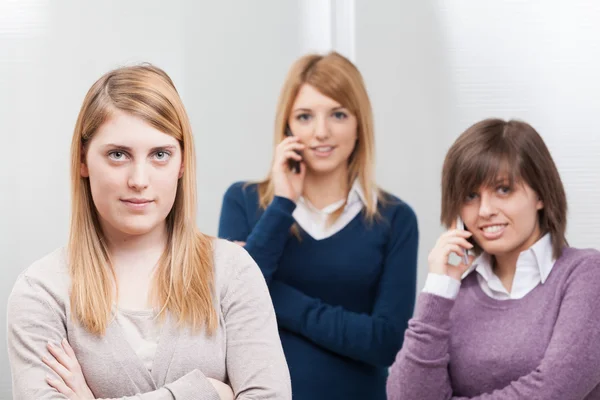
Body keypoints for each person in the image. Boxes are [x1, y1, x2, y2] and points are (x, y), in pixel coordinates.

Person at [7, 64, 291, 399]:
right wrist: (202, 393)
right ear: (83, 160)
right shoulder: (41, 293)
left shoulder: (232, 272)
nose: (139, 179)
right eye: (118, 155)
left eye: (160, 154)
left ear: (182, 163)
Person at [218, 51, 419, 400]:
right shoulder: (244, 201)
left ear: (359, 125)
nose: (321, 132)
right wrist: (282, 203)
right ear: (288, 127)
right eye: (305, 116)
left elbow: (385, 343)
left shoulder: (395, 219)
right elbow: (224, 311)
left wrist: (270, 292)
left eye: (338, 114)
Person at [386, 118, 600, 400]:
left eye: (503, 190)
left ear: (541, 195)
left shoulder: (586, 274)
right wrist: (439, 288)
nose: (485, 210)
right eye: (471, 195)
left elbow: (554, 391)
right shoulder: (454, 293)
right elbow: (406, 395)